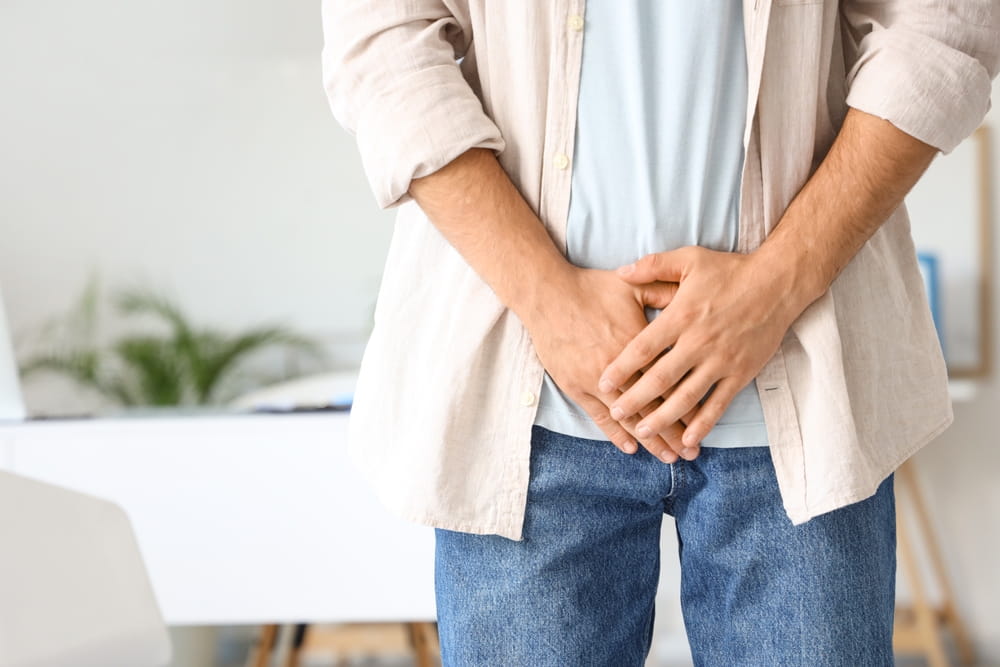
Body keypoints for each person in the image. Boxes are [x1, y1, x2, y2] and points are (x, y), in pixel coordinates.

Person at [321, 1, 999, 665]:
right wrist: (546, 297)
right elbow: (380, 35)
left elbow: (942, 26)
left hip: (798, 399)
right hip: (529, 414)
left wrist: (775, 286)